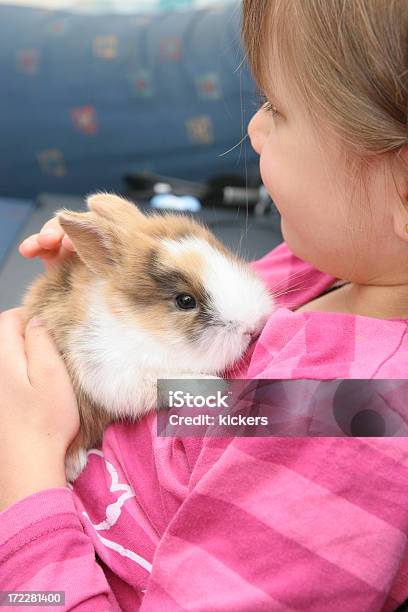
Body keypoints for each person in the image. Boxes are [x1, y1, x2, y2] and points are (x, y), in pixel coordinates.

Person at [1, 0, 408, 609]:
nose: (254, 129)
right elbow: (214, 415)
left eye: (278, 108)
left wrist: (25, 471)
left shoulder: (353, 423)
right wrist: (104, 303)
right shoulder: (333, 265)